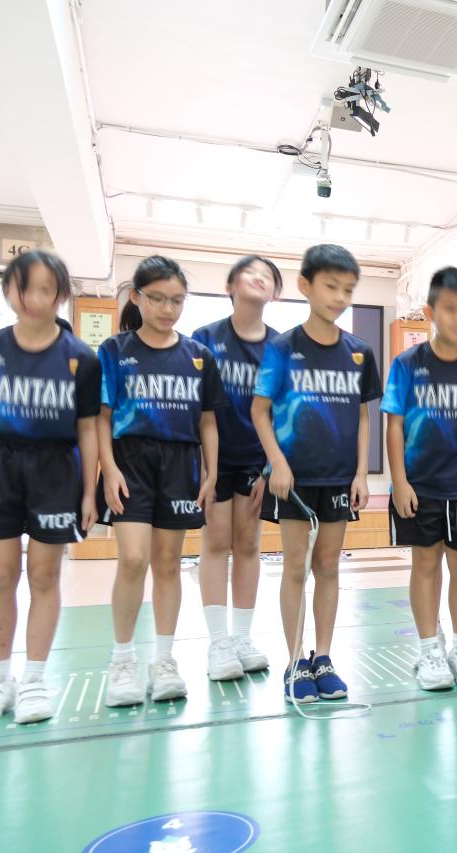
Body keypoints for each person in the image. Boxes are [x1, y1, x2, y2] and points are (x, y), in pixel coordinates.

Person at [0, 251, 101, 725]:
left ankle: (35, 679)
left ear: (60, 295)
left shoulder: (82, 358)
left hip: (56, 470)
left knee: (44, 575)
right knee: (0, 575)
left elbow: (88, 429)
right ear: (8, 291)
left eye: (46, 289)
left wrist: (89, 492)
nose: (35, 298)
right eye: (25, 288)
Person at [252, 244, 381, 704]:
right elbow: (260, 410)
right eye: (331, 287)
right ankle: (294, 661)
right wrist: (277, 462)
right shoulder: (281, 348)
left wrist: (361, 474)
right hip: (294, 479)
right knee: (295, 567)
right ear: (305, 286)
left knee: (328, 566)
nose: (340, 297)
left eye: (348, 290)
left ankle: (322, 657)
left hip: (338, 478)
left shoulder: (360, 353)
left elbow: (363, 416)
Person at [98, 256, 225, 707]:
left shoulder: (199, 355)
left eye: (176, 300)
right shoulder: (114, 350)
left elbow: (208, 421)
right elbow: (102, 416)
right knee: (133, 559)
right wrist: (108, 468)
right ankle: (122, 662)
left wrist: (210, 471)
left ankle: (164, 661)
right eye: (157, 299)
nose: (168, 309)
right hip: (130, 460)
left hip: (180, 463)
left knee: (169, 563)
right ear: (136, 297)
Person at [385, 267, 457, 691]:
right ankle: (429, 651)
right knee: (425, 564)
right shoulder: (407, 364)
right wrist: (400, 481)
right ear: (431, 312)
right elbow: (394, 425)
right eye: (450, 309)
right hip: (420, 485)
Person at [191, 256, 281, 681]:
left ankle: (243, 638)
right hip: (214, 460)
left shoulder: (281, 347)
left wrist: (269, 468)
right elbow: (196, 409)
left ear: (276, 293)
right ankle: (218, 643)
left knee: (248, 544)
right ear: (230, 286)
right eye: (250, 272)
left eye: (268, 276)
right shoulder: (204, 339)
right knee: (215, 542)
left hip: (256, 462)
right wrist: (203, 468)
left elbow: (282, 412)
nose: (259, 278)